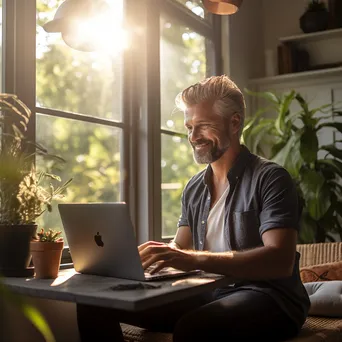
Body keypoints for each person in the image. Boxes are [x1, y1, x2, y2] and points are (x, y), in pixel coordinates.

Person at [78, 75, 311, 342]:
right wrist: (150, 258)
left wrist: (193, 259)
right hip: (208, 292)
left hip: (269, 296)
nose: (193, 136)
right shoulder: (194, 187)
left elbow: (280, 260)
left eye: (203, 126)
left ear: (234, 123)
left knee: (195, 328)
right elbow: (181, 247)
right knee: (93, 303)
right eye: (189, 126)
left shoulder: (271, 178)